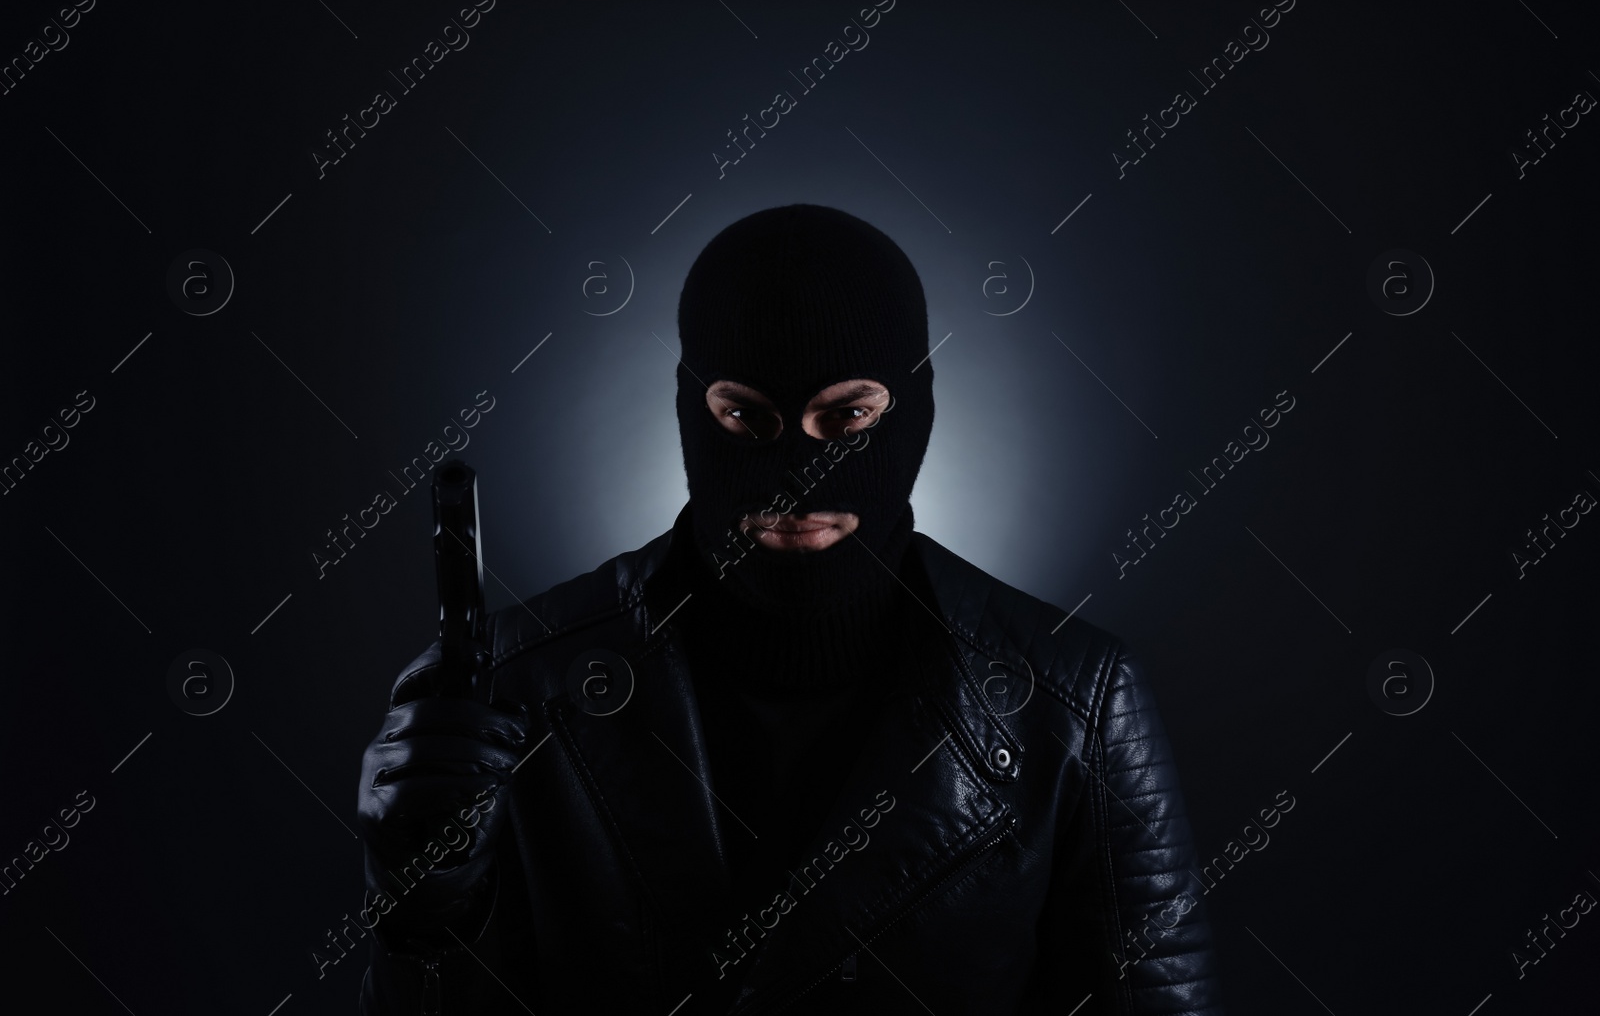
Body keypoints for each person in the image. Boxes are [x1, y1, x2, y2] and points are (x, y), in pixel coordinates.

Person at [355, 204, 1223, 1014]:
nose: (797, 477)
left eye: (846, 417)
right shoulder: (517, 683)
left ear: (912, 411)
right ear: (694, 410)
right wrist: (426, 906)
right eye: (747, 418)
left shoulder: (1076, 701)